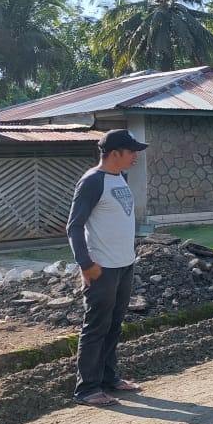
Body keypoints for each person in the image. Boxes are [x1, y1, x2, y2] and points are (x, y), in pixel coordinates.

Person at [66, 128, 149, 406]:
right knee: (96, 326)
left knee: (113, 325)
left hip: (124, 264)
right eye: (131, 151)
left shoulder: (119, 178)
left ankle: (109, 378)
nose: (135, 156)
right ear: (116, 153)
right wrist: (85, 264)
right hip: (102, 268)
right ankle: (87, 389)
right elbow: (74, 226)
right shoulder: (92, 181)